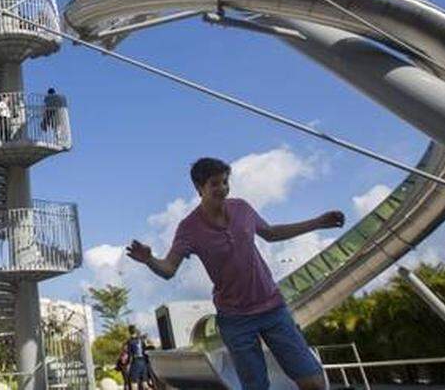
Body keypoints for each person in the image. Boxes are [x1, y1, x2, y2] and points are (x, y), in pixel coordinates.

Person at [126, 157, 344, 390]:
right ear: (200, 188)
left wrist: (318, 223)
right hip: (236, 320)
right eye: (215, 184)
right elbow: (168, 269)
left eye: (225, 182)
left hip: (273, 307)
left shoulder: (242, 208)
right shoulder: (188, 228)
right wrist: (149, 259)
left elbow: (271, 233)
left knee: (313, 381)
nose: (223, 189)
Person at [124, 325, 152, 390]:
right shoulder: (141, 340)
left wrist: (128, 364)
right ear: (135, 331)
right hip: (143, 362)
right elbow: (145, 350)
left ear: (129, 331)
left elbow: (130, 354)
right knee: (145, 384)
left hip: (136, 362)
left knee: (133, 383)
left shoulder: (130, 341)